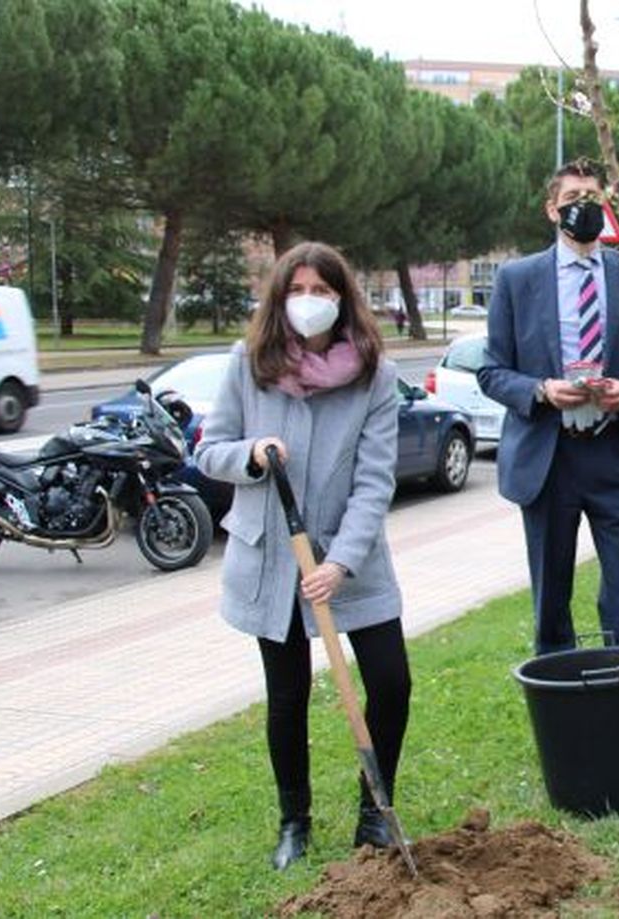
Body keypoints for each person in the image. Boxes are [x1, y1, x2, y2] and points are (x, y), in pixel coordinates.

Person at [195, 241, 411, 871]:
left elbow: (374, 483)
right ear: (279, 298)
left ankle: (375, 813)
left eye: (323, 291)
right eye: (298, 291)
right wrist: (251, 454)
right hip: (272, 559)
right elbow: (210, 450)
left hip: (353, 561)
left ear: (343, 299)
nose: (309, 303)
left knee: (392, 682)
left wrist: (339, 563)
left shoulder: (374, 375)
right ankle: (294, 821)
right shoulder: (249, 362)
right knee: (287, 696)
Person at [478, 158, 619, 655]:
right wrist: (541, 390)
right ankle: (561, 708)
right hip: (548, 458)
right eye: (571, 201)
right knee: (551, 601)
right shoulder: (517, 279)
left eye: (592, 199)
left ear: (606, 206)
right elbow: (491, 371)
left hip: (615, 455)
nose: (582, 209)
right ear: (551, 210)